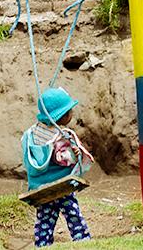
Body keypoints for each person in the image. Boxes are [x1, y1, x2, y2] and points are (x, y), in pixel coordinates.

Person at [22, 87, 95, 246]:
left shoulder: (32, 134)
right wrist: (75, 153)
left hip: (41, 188)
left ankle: (42, 243)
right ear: (61, 116)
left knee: (45, 217)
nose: (71, 114)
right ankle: (82, 239)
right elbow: (65, 160)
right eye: (69, 112)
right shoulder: (60, 137)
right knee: (72, 213)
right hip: (61, 186)